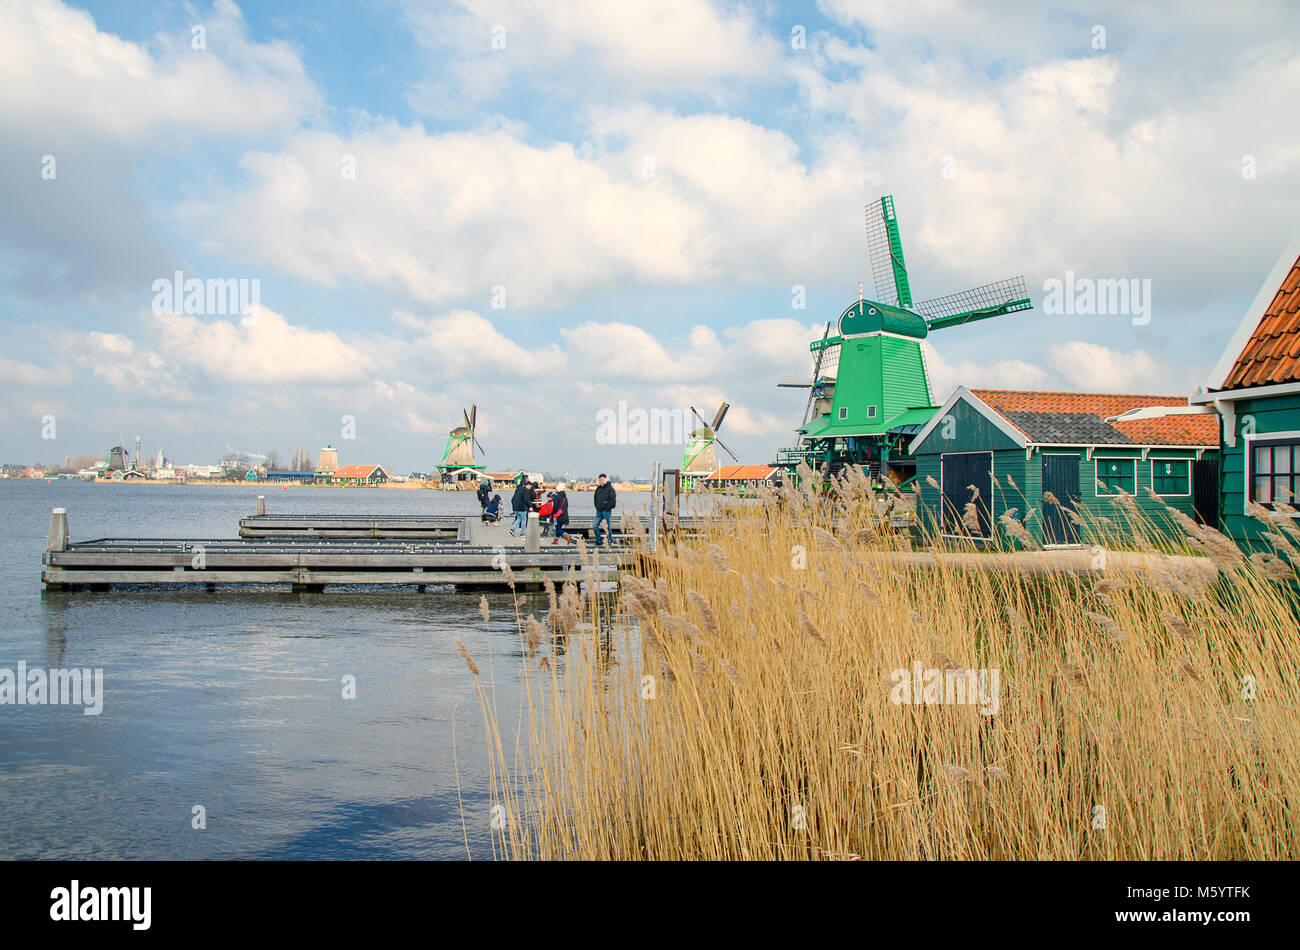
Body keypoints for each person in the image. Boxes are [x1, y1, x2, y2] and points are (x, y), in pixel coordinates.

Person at [592, 473, 617, 547]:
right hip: (599, 511)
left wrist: (608, 507)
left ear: (605, 480)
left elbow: (613, 499)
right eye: (600, 480)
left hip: (606, 511)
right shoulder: (598, 489)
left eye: (602, 480)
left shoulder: (610, 489)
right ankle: (599, 540)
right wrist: (596, 506)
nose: (601, 481)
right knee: (595, 526)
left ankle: (610, 540)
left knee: (607, 527)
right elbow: (595, 498)